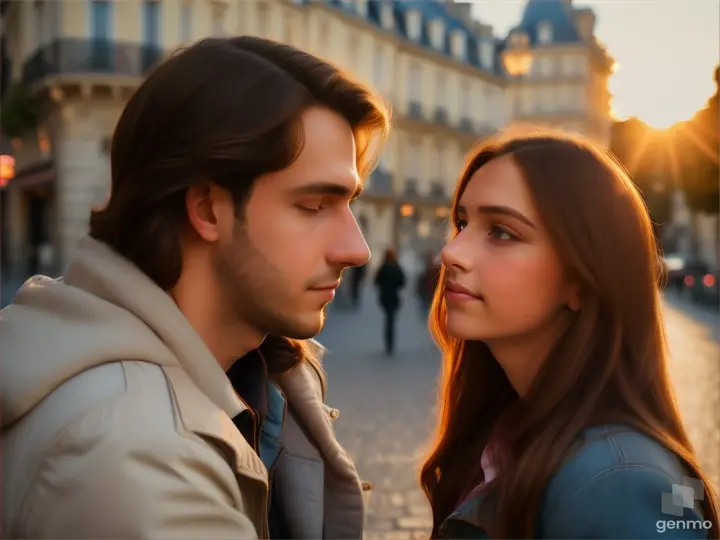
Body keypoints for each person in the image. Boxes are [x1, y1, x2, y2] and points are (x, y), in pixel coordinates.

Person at [0, 36, 389, 539]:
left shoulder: (260, 380)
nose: (357, 250)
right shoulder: (135, 458)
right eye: (315, 206)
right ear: (207, 208)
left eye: (350, 203)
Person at [420, 129, 720, 539]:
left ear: (581, 278)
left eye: (502, 232)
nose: (451, 252)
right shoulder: (508, 434)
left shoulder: (623, 481)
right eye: (462, 223)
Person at [374, 248, 406, 355]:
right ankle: (390, 343)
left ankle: (388, 343)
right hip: (394, 297)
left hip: (384, 297)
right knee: (391, 320)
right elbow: (403, 282)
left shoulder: (382, 267)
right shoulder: (397, 267)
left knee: (388, 319)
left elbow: (376, 282)